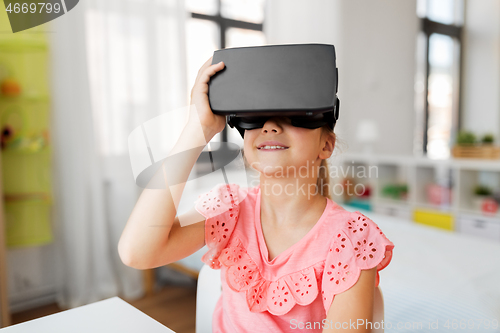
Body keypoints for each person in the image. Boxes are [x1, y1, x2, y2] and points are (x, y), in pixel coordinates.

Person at [118, 56, 395, 333]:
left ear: (326, 145)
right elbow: (136, 253)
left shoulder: (350, 238)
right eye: (256, 116)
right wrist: (198, 130)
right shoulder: (230, 209)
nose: (270, 126)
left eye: (294, 116)